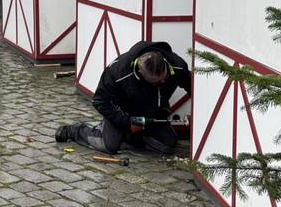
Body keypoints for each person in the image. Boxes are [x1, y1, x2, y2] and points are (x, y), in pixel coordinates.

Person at [55, 40, 191, 155]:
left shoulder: (177, 65)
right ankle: (76, 131)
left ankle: (130, 136)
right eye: (156, 81)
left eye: (165, 78)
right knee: (109, 146)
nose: (162, 83)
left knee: (166, 146)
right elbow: (99, 101)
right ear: (140, 73)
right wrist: (126, 121)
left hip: (151, 115)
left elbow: (192, 86)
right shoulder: (117, 72)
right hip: (124, 116)